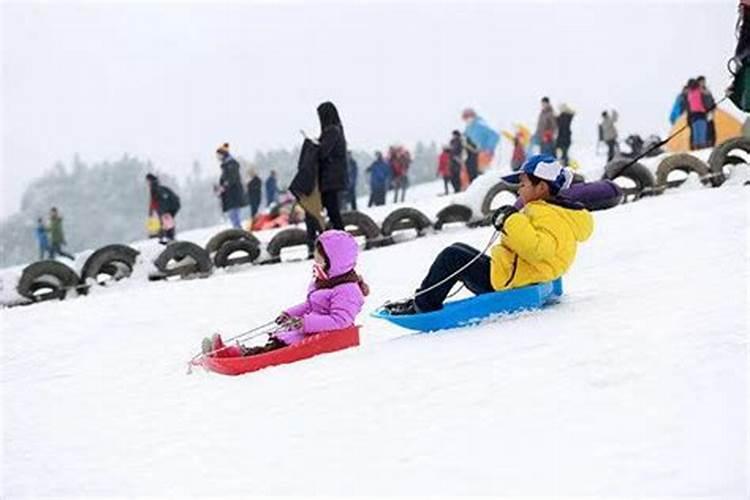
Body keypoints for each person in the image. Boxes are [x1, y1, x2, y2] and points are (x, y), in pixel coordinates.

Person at [384, 155, 593, 315]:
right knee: (459, 250)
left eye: (523, 184)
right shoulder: (556, 211)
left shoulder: (548, 213)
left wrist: (510, 220)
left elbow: (537, 249)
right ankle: (423, 298)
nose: (519, 190)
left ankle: (423, 305)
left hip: (511, 281)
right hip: (519, 273)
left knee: (452, 256)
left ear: (541, 187)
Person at [201, 230, 368, 357]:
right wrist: (289, 314)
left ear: (335, 261)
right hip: (312, 329)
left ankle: (234, 355)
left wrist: (305, 323)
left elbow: (340, 321)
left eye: (320, 260)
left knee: (277, 348)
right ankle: (228, 352)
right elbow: (311, 305)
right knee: (278, 341)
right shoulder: (325, 281)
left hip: (325, 336)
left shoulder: (347, 290)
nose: (316, 263)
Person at [215, 143, 247, 229]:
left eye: (219, 155)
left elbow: (232, 179)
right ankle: (238, 232)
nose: (217, 157)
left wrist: (224, 187)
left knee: (234, 216)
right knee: (233, 217)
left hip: (234, 195)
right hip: (230, 196)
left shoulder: (231, 164)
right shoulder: (226, 166)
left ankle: (239, 233)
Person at [146, 173, 180, 242]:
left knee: (165, 228)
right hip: (163, 211)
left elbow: (155, 202)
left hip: (163, 211)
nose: (147, 183)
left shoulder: (155, 189)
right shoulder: (158, 189)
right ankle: (166, 238)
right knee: (164, 227)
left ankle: (165, 239)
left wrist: (152, 212)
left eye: (148, 181)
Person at [685, 79, 709, 150]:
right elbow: (707, 94)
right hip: (701, 113)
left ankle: (697, 145)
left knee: (696, 132)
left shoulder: (689, 93)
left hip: (693, 114)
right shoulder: (699, 91)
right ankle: (701, 145)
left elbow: (688, 105)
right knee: (702, 130)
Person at [697, 76, 717, 147]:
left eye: (704, 81)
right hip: (703, 113)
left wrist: (714, 106)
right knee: (705, 129)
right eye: (702, 82)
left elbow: (712, 100)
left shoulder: (708, 90)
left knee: (711, 128)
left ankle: (712, 142)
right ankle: (706, 143)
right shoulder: (698, 92)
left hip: (710, 112)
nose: (703, 83)